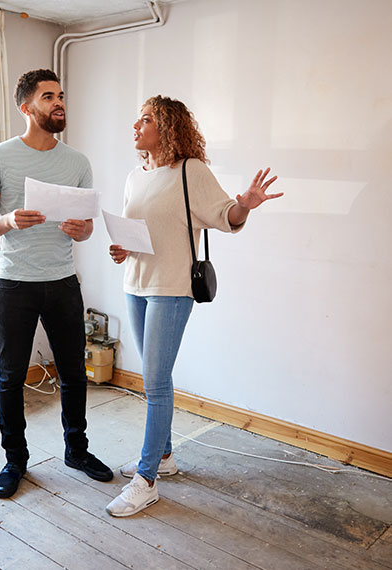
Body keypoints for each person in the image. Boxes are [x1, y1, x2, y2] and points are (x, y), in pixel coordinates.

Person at [106, 95, 282, 517]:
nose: (136, 126)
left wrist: (245, 204)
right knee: (153, 379)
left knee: (155, 381)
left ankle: (146, 479)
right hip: (135, 283)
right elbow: (142, 232)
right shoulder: (134, 176)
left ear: (167, 128)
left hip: (172, 287)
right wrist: (121, 249)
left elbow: (226, 215)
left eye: (145, 120)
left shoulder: (191, 171)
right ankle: (164, 457)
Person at [0, 69, 113, 499]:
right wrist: (8, 220)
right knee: (10, 377)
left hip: (63, 282)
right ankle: (15, 460)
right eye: (49, 96)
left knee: (74, 373)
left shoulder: (77, 162)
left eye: (61, 96)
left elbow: (88, 227)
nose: (59, 103)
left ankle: (77, 450)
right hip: (15, 284)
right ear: (26, 108)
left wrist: (80, 230)